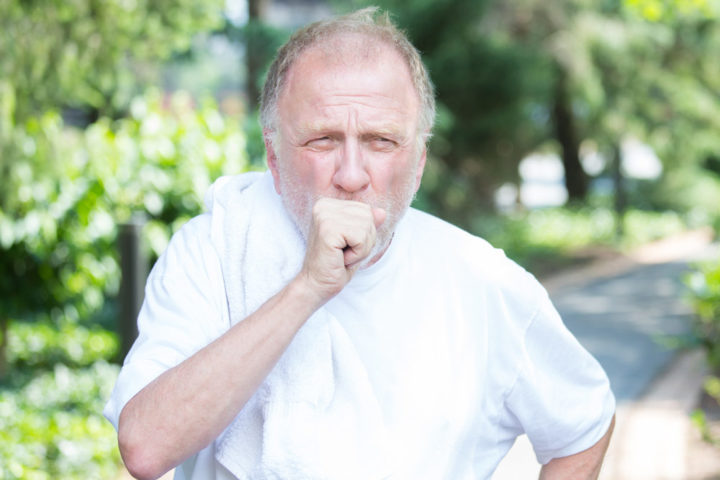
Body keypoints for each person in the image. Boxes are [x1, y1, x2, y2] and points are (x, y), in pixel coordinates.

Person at [104, 7, 615, 480]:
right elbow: (146, 448)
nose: (351, 175)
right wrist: (306, 288)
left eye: (380, 141)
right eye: (322, 140)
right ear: (274, 159)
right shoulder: (213, 251)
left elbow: (582, 425)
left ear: (418, 163)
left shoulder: (483, 283)